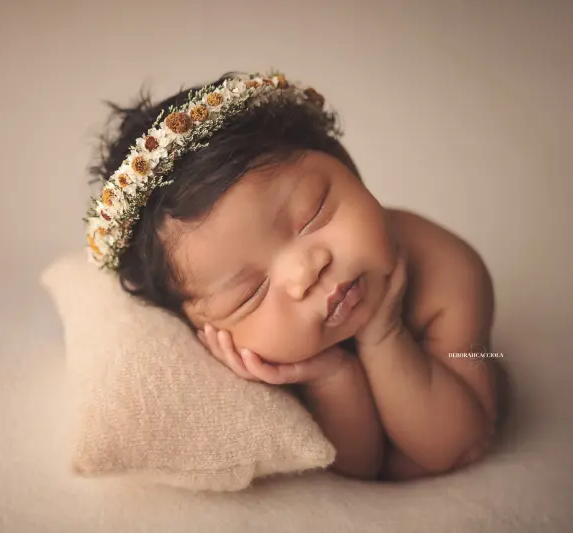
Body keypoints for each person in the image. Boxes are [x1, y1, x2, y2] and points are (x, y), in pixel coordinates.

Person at [85, 71, 501, 482]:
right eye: (251, 293)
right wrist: (332, 376)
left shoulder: (448, 268)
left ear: (347, 165)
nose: (305, 272)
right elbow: (363, 468)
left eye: (312, 214)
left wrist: (384, 335)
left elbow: (461, 444)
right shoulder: (276, 358)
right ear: (204, 329)